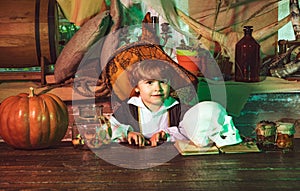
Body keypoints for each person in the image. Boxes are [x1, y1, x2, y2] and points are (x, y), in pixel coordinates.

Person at [109, 59, 192, 147]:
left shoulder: (178, 108)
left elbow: (188, 133)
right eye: (149, 82)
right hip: (136, 156)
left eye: (163, 82)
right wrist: (128, 133)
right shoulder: (128, 107)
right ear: (136, 87)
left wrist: (168, 135)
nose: (157, 88)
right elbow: (110, 127)